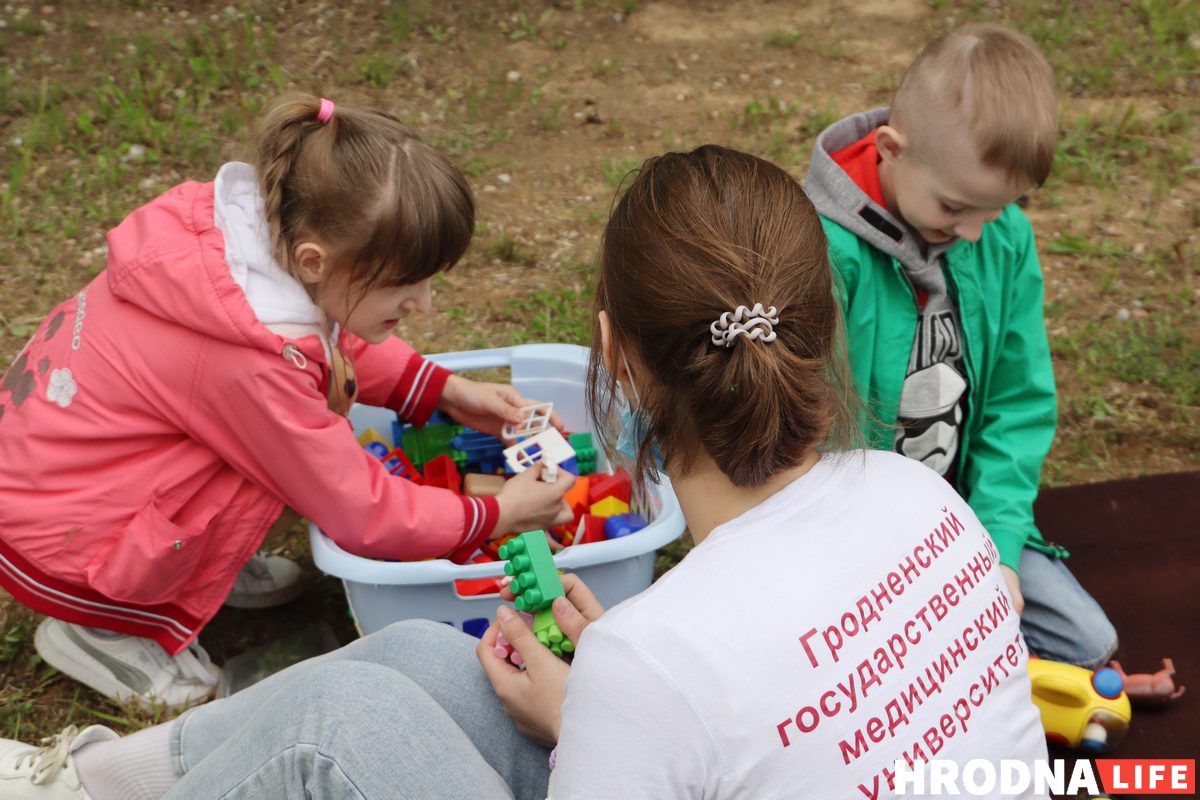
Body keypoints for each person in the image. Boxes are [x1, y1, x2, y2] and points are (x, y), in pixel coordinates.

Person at [0, 146, 1049, 800]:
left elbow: (703, 691)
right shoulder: (920, 497)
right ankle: (85, 779)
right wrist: (604, 707)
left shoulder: (655, 655)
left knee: (342, 726)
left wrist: (607, 708)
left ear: (617, 355)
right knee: (419, 653)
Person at [0, 94, 574, 711]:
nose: (426, 304)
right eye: (405, 286)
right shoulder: (248, 360)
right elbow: (362, 512)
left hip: (63, 478)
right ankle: (104, 626)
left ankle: (200, 568)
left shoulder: (247, 255)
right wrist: (496, 514)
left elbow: (326, 337)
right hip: (61, 541)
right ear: (314, 261)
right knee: (292, 449)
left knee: (281, 441)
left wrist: (445, 391)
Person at [801, 23, 1117, 669]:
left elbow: (1017, 405)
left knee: (1089, 643)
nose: (973, 234)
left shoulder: (1003, 237)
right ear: (890, 148)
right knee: (863, 666)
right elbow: (797, 435)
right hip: (845, 538)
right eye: (954, 208)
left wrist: (997, 551)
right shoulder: (820, 253)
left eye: (999, 208)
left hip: (963, 521)